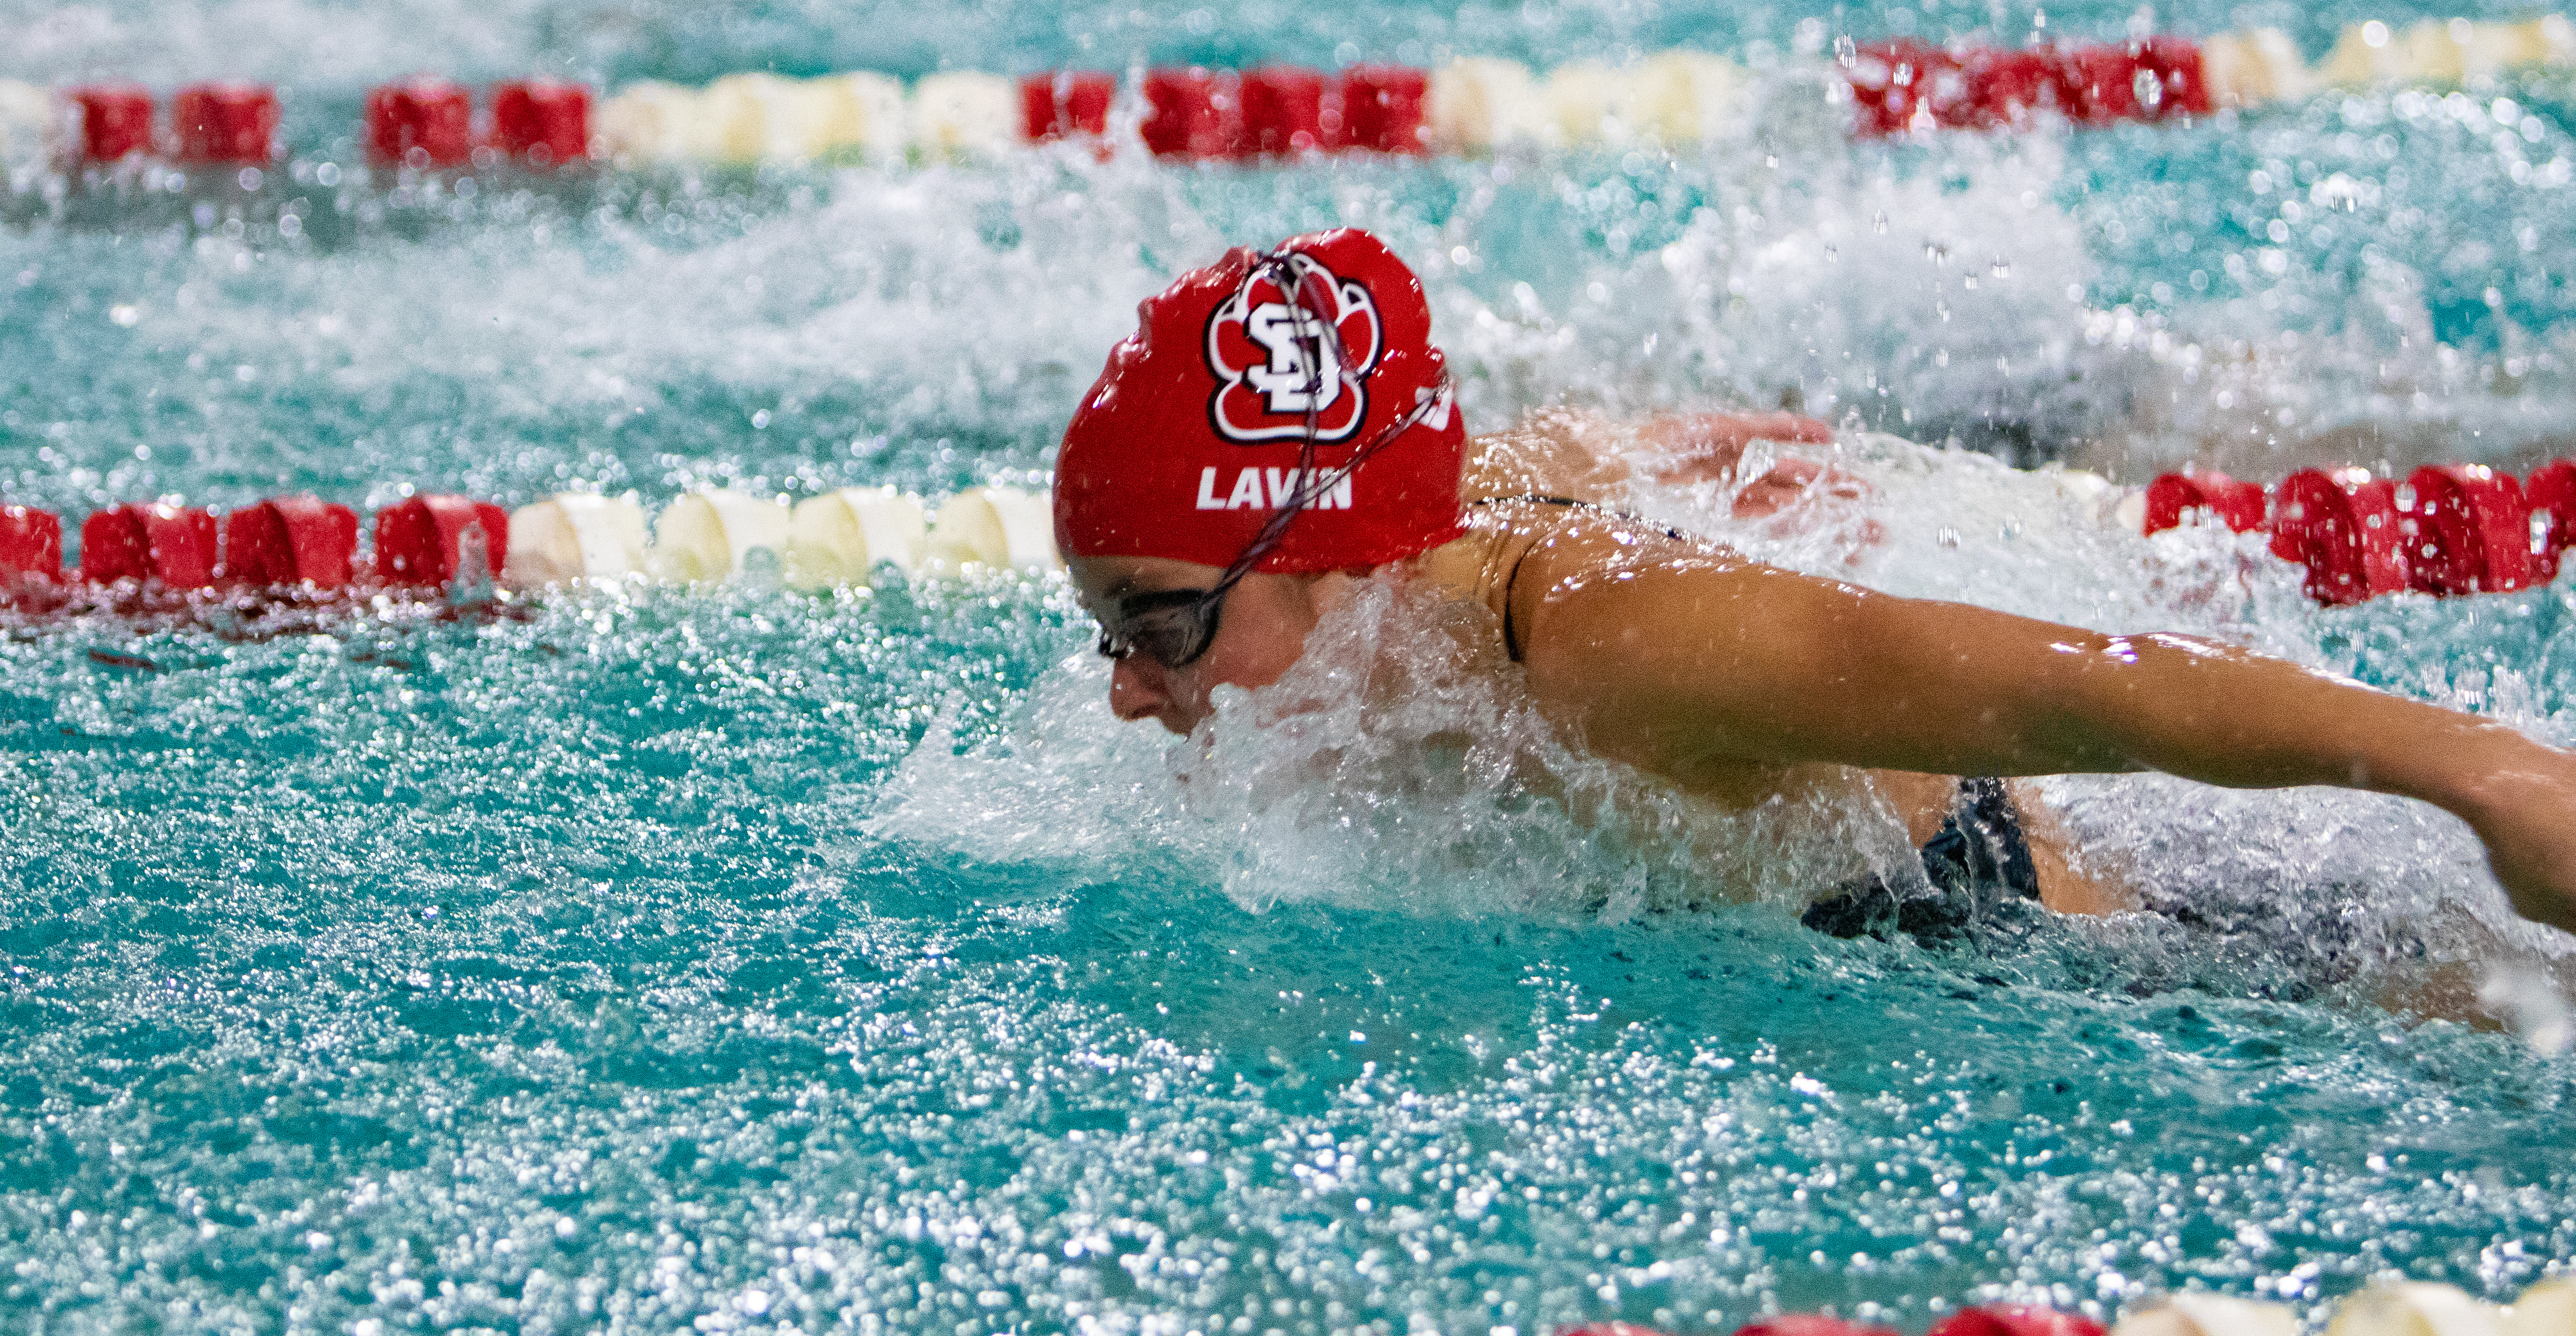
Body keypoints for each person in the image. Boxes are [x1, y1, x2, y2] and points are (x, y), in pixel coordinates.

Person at [1051, 227, 2576, 950]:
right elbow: (1510, 448)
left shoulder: (1613, 643)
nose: (1127, 687)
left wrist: (2486, 775)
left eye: (1160, 624)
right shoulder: (1416, 538)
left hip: (2192, 953)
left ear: (1324, 557)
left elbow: (2077, 678)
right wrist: (1651, 445)